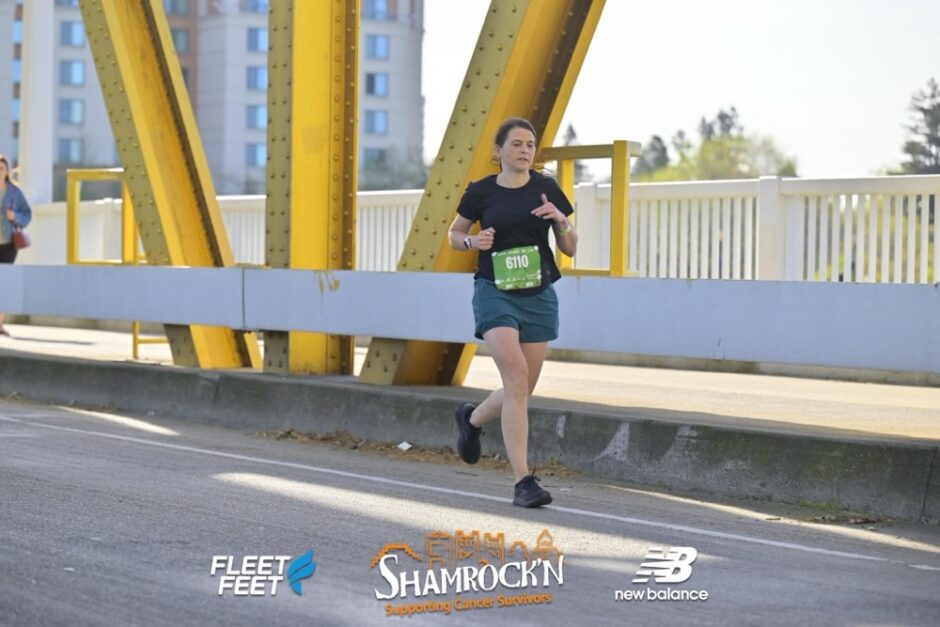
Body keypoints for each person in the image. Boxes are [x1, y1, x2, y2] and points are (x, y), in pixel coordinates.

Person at [447, 117, 578, 508]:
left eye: (530, 144)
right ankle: (523, 482)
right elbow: (455, 235)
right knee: (516, 379)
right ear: (499, 151)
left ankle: (471, 420)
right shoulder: (482, 192)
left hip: (538, 295)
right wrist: (473, 241)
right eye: (517, 144)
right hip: (495, 292)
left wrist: (561, 221)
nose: (525, 150)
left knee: (520, 389)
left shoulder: (546, 189)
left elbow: (570, 247)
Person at [0, 154, 32, 336]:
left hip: (8, 244)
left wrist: (15, 217)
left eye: (1, 169)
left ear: (7, 172)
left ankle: (0, 324)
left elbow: (27, 214)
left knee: (3, 282)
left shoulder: (15, 192)